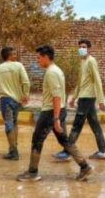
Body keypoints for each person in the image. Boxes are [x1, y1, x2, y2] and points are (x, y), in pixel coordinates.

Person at [17, 45, 92, 182]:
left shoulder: (51, 72)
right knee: (64, 140)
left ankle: (32, 172)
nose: (38, 60)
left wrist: (56, 118)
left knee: (37, 140)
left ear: (46, 57)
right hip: (58, 110)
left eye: (39, 58)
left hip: (50, 112)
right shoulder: (57, 70)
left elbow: (56, 96)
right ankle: (84, 166)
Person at [53, 39, 105, 161]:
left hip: (88, 97)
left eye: (83, 47)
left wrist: (101, 100)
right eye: (80, 47)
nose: (81, 49)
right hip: (84, 95)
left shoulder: (91, 61)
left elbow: (97, 80)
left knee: (76, 125)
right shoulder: (83, 62)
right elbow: (80, 82)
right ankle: (103, 151)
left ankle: (68, 152)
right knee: (94, 124)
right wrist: (74, 96)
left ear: (89, 48)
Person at [0, 47, 30, 161]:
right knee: (14, 123)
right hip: (17, 100)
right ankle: (13, 148)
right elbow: (26, 82)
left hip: (5, 100)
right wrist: (26, 95)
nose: (15, 56)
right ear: (8, 56)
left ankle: (14, 152)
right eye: (13, 54)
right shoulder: (19, 66)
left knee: (9, 124)